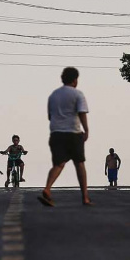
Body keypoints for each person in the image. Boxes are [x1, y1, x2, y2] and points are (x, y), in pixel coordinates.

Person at [39, 67, 91, 207]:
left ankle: (47, 188)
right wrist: (86, 130)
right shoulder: (78, 94)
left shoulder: (53, 95)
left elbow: (50, 117)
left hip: (56, 134)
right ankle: (85, 197)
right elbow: (82, 113)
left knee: (59, 164)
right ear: (75, 80)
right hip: (73, 133)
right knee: (79, 163)